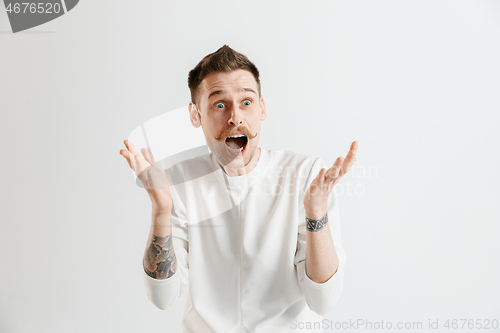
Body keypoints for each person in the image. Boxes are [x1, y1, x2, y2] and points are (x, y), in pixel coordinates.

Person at [119, 45, 358, 333]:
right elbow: (163, 298)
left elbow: (323, 301)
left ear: (262, 108)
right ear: (195, 115)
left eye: (246, 102)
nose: (235, 117)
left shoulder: (306, 175)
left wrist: (316, 214)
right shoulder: (179, 182)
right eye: (220, 105)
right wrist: (161, 210)